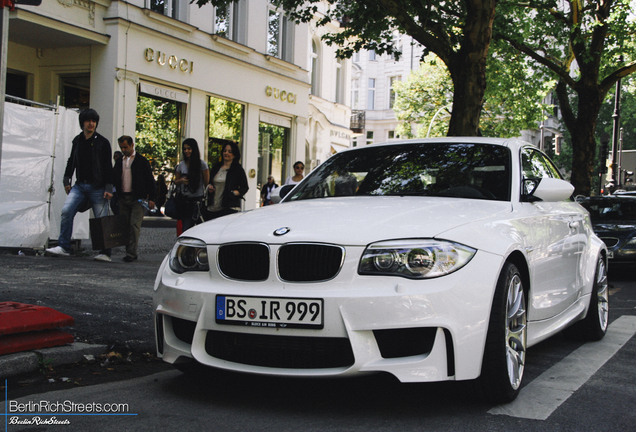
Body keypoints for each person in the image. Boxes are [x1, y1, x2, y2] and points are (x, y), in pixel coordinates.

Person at [45, 108, 114, 261]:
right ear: (82, 122)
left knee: (101, 219)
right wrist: (67, 178)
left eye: (94, 121)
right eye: (88, 121)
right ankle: (63, 246)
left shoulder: (102, 142)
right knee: (66, 212)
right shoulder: (77, 140)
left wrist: (109, 187)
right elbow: (72, 160)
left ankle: (105, 253)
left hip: (98, 186)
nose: (91, 123)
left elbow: (108, 166)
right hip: (80, 185)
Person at [113, 135, 157, 262]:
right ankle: (129, 251)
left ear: (132, 145)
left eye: (125, 147)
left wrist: (152, 198)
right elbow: (114, 176)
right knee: (126, 226)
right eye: (121, 147)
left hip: (137, 198)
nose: (123, 150)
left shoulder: (141, 161)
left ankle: (131, 253)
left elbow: (150, 179)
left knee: (133, 225)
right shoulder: (119, 161)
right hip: (123, 197)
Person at [206, 141, 249, 219]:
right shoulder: (216, 167)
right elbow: (209, 182)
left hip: (229, 206)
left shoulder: (238, 169)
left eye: (229, 151)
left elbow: (245, 187)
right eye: (225, 151)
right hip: (213, 206)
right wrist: (210, 187)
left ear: (234, 154)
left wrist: (236, 193)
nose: (226, 153)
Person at [174, 138, 209, 231]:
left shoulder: (202, 164)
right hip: (185, 202)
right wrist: (181, 180)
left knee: (201, 229)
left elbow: (207, 183)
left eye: (189, 148)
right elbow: (175, 182)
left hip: (198, 202)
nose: (186, 151)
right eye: (184, 149)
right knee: (185, 228)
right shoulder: (181, 165)